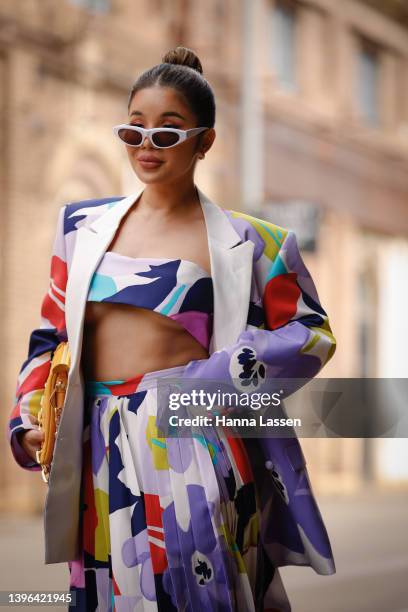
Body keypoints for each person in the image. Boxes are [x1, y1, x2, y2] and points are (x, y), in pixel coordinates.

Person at [7, 46, 337, 611]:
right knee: (112, 594)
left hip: (192, 440)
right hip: (98, 450)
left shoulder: (254, 242)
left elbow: (310, 333)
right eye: (133, 130)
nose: (146, 146)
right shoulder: (81, 227)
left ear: (205, 141)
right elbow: (52, 337)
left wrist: (209, 384)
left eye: (168, 132)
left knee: (198, 594)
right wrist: (29, 418)